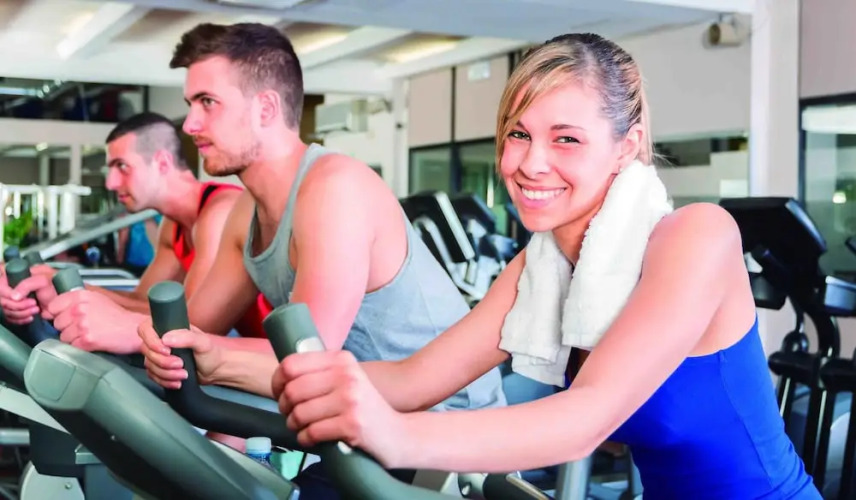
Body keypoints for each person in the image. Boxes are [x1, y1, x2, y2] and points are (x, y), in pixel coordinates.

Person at [262, 34, 823, 499]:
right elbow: (413, 381)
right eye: (518, 134)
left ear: (626, 147)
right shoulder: (542, 269)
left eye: (566, 139)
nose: (531, 163)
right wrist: (242, 370)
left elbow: (584, 421)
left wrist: (395, 435)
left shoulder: (698, 234)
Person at [137, 22, 506, 494]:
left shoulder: (334, 190)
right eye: (191, 104)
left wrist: (206, 354)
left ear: (265, 108)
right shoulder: (247, 210)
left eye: (207, 102)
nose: (189, 125)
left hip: (445, 438)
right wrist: (142, 334)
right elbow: (195, 330)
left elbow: (311, 352)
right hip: (359, 418)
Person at [0, 112, 269, 353]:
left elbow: (191, 323)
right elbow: (142, 301)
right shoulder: (173, 225)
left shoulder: (220, 213)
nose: (110, 182)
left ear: (162, 162)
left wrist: (67, 286)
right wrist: (61, 286)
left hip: (271, 362)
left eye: (122, 166)